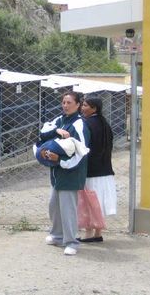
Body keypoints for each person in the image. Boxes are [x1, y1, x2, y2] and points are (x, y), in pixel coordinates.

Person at [39, 91, 90, 256]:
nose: (65, 105)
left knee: (68, 209)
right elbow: (42, 134)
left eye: (69, 103)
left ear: (78, 105)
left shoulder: (79, 124)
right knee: (54, 206)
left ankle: (72, 242)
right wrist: (56, 134)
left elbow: (81, 152)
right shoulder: (59, 120)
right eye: (63, 102)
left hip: (71, 173)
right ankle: (57, 236)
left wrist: (59, 160)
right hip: (57, 174)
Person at [78, 96, 117, 243]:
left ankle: (89, 232)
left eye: (86, 105)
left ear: (94, 108)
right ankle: (97, 232)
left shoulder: (86, 123)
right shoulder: (105, 123)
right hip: (105, 169)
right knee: (99, 201)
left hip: (91, 171)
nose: (83, 108)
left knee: (89, 201)